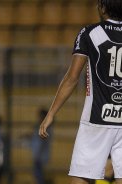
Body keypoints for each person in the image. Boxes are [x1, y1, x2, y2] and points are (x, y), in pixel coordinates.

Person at [39, 0, 122, 184]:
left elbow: (72, 78)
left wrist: (51, 113)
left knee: (81, 179)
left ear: (102, 7)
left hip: (96, 120)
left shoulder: (90, 33)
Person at [31, 108, 52, 184]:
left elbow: (41, 143)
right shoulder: (41, 127)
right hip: (39, 157)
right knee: (38, 176)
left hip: (40, 157)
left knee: (40, 177)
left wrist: (37, 154)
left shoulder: (45, 128)